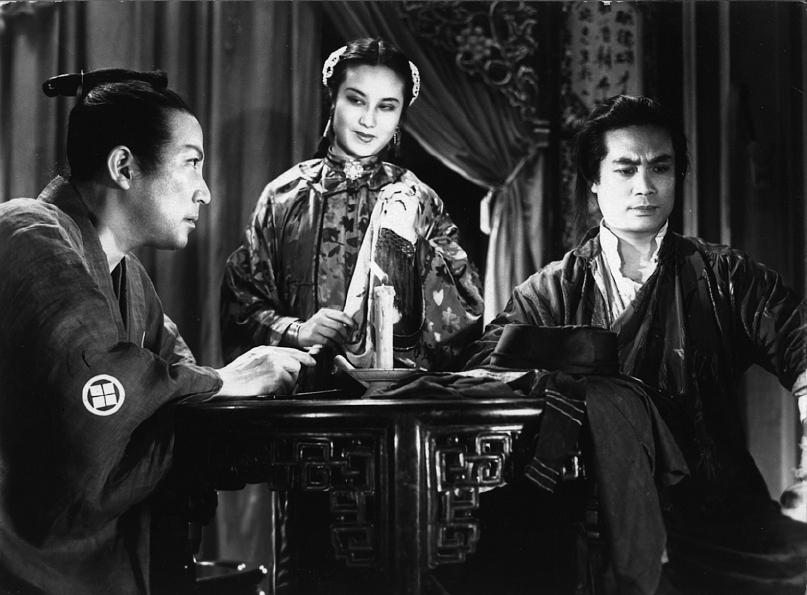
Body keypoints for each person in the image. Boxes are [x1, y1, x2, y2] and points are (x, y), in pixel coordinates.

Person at [464, 95, 807, 594]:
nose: (644, 186)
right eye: (625, 169)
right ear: (594, 180)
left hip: (712, 513)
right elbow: (482, 370)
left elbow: (800, 340)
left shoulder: (724, 276)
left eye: (660, 168)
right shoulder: (551, 290)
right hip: (586, 516)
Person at [0, 69, 314, 595]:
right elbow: (96, 394)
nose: (205, 192)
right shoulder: (27, 230)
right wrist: (223, 381)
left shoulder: (134, 283)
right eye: (191, 163)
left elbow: (179, 384)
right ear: (124, 166)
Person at [221, 37, 484, 372]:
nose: (368, 120)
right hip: (301, 391)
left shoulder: (420, 201)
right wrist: (297, 331)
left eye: (386, 106)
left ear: (401, 114)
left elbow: (464, 314)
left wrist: (409, 257)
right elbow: (241, 306)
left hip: (396, 395)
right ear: (333, 99)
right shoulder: (283, 197)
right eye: (356, 100)